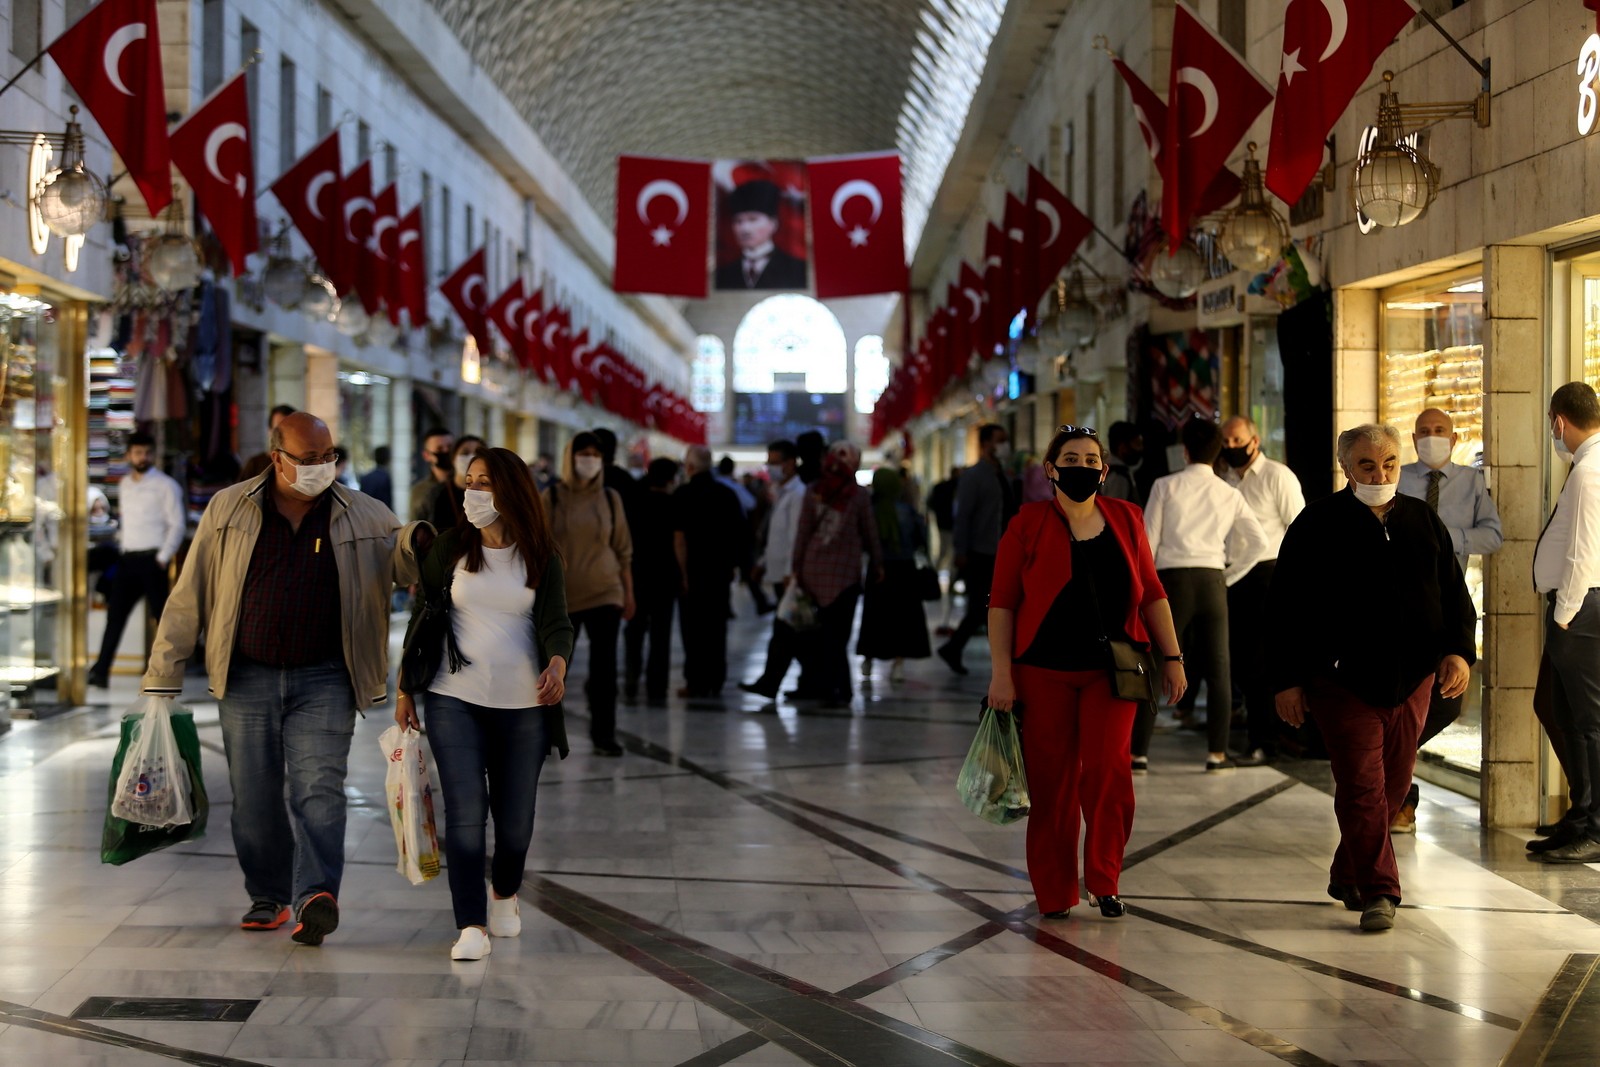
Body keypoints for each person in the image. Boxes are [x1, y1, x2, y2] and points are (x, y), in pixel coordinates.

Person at [142, 413, 432, 945]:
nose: (321, 468)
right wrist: (165, 669)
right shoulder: (230, 507)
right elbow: (191, 591)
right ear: (277, 457)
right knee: (254, 797)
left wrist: (417, 541)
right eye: (308, 459)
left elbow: (404, 564)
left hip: (325, 677)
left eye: (329, 457)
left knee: (319, 790)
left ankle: (315, 896)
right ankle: (269, 894)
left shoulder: (363, 513)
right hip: (247, 674)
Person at [1269, 423, 1474, 931]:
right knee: (1362, 786)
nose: (1379, 473)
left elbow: (1453, 595)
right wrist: (1286, 679)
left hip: (1414, 682)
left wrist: (1458, 652)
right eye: (1367, 465)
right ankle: (1381, 891)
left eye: (1388, 464)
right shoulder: (1317, 524)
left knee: (1395, 784)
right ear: (1346, 468)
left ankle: (1348, 871)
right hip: (1342, 683)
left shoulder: (1423, 520)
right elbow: (1284, 610)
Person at [986, 425, 1185, 920]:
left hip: (1114, 669)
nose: (1082, 466)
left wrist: (1174, 657)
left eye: (1091, 459)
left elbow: (1153, 591)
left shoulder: (1126, 517)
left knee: (1109, 772)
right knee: (1052, 783)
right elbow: (1003, 604)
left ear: (1104, 470)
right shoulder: (1026, 523)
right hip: (1042, 670)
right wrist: (1001, 674)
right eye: (1070, 458)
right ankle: (1055, 891)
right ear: (1050, 469)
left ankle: (1105, 878)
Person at [396, 447, 573, 961]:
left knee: (515, 822)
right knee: (466, 813)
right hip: (455, 700)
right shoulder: (451, 546)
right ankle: (470, 924)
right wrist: (406, 688)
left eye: (486, 483)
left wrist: (557, 665)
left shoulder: (541, 553)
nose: (474, 493)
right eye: (469, 482)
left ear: (511, 491)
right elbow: (422, 619)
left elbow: (558, 623)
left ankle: (505, 893)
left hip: (524, 705)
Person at [1393, 408, 1503, 832]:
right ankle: (1401, 798)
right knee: (1402, 698)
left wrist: (1444, 538)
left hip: (1451, 603)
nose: (1431, 437)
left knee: (1445, 702)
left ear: (1454, 438)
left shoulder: (1471, 483)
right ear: (1414, 437)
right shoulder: (1398, 478)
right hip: (1405, 604)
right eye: (1424, 431)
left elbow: (1493, 535)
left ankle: (1391, 761)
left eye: (1439, 431)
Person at [1530, 384, 1600, 863]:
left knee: (1589, 721)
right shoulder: (1586, 467)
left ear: (1558, 422)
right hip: (1578, 608)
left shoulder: (1589, 472)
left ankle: (1594, 828)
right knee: (1554, 708)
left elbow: (1582, 552)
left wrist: (1564, 615)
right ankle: (1580, 815)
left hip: (1582, 610)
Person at [1218, 416, 1306, 767]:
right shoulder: (1224, 478)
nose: (1231, 447)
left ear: (1254, 440)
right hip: (1233, 573)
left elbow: (1299, 528)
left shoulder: (1277, 476)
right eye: (1225, 441)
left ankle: (1265, 741)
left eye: (1237, 440)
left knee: (1260, 663)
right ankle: (1259, 735)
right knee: (1240, 662)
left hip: (1268, 574)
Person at [542, 432, 634, 757]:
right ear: (570, 457)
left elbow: (622, 548)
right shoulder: (551, 497)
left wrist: (629, 592)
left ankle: (604, 734)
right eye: (584, 453)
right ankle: (549, 732)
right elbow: (538, 546)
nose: (590, 460)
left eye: (596, 454)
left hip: (606, 591)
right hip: (562, 596)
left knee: (605, 669)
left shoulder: (610, 498)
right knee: (555, 664)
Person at [88, 432, 186, 689]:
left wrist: (163, 557)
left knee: (162, 620)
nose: (142, 457)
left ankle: (166, 672)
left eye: (146, 452)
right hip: (128, 559)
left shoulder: (166, 485)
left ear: (152, 454)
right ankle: (101, 671)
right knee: (115, 616)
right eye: (138, 452)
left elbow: (177, 525)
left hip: (153, 560)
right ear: (129, 455)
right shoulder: (124, 485)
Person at [792, 441, 882, 707]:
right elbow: (870, 534)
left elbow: (802, 534)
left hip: (812, 573)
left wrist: (796, 568)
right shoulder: (859, 495)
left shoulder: (813, 491)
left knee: (821, 634)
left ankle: (832, 687)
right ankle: (839, 689)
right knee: (838, 636)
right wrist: (878, 563)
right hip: (845, 577)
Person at [673, 445, 748, 699]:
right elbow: (740, 534)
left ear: (690, 467)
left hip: (693, 573)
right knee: (716, 628)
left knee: (693, 630)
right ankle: (716, 679)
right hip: (719, 573)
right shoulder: (726, 494)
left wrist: (681, 574)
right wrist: (733, 567)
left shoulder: (683, 494)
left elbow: (680, 539)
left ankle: (695, 681)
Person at [938, 424, 1014, 676]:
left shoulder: (1001, 473)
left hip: (1002, 549)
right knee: (982, 605)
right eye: (999, 440)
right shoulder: (974, 476)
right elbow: (963, 516)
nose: (1004, 445)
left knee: (987, 606)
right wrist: (961, 550)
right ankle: (954, 647)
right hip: (982, 551)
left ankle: (954, 647)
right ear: (985, 444)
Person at [740, 440, 808, 700]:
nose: (770, 467)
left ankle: (770, 682)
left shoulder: (798, 495)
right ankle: (801, 680)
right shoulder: (781, 492)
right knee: (791, 634)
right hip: (778, 572)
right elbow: (775, 537)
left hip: (788, 576)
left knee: (785, 633)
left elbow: (794, 538)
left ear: (790, 463)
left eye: (774, 462)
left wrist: (792, 571)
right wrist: (764, 564)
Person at [857, 467, 930, 683]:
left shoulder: (870, 511)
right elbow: (921, 541)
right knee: (902, 619)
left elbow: (863, 542)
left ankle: (868, 659)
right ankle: (898, 664)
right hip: (905, 570)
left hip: (878, 570)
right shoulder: (908, 511)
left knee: (874, 616)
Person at [624, 458, 681, 706]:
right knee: (661, 633)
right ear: (671, 479)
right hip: (665, 577)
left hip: (637, 575)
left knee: (635, 630)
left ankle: (631, 678)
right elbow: (679, 543)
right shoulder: (674, 504)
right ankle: (657, 687)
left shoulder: (634, 503)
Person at [713, 179, 807, 290]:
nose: (745, 229)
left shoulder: (798, 269)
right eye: (738, 221)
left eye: (753, 220)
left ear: (773, 224)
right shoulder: (722, 274)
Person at [420, 435, 484, 531]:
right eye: (465, 453)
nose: (472, 457)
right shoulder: (437, 493)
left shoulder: (491, 493)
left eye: (477, 453)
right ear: (453, 458)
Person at [926, 466, 960, 634]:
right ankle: (946, 577)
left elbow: (930, 503)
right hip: (950, 525)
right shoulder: (955, 487)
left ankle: (936, 573)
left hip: (943, 523)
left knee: (944, 551)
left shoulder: (941, 486)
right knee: (949, 551)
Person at [238, 405, 298, 483]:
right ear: (270, 431)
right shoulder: (254, 465)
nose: (285, 435)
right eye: (279, 429)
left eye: (289, 430)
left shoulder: (299, 465)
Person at [409, 426, 455, 521]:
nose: (446, 451)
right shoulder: (420, 491)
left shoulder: (466, 484)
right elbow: (415, 526)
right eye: (439, 449)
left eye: (450, 447)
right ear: (426, 456)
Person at [1101, 422, 1142, 504]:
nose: (1141, 448)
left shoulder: (1109, 469)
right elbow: (1115, 510)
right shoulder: (1119, 477)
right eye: (1137, 444)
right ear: (1123, 448)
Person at [360, 445, 393, 510]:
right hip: (380, 514)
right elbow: (387, 502)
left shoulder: (365, 478)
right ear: (387, 459)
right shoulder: (385, 477)